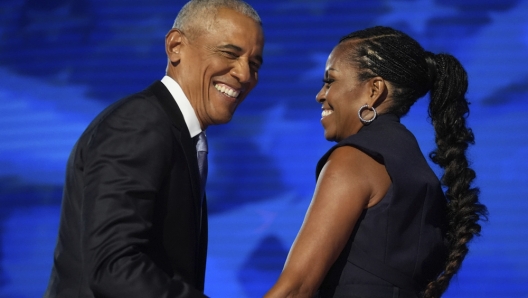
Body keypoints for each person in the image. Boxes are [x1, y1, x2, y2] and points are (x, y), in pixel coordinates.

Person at [43, 0, 264, 297]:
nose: (245, 74)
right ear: (175, 46)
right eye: (230, 53)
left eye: (254, 64)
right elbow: (113, 267)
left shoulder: (177, 133)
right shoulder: (140, 123)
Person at [264, 26, 487, 298]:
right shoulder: (417, 168)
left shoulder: (354, 159)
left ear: (374, 90)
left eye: (330, 81)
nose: (320, 94)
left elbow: (295, 289)